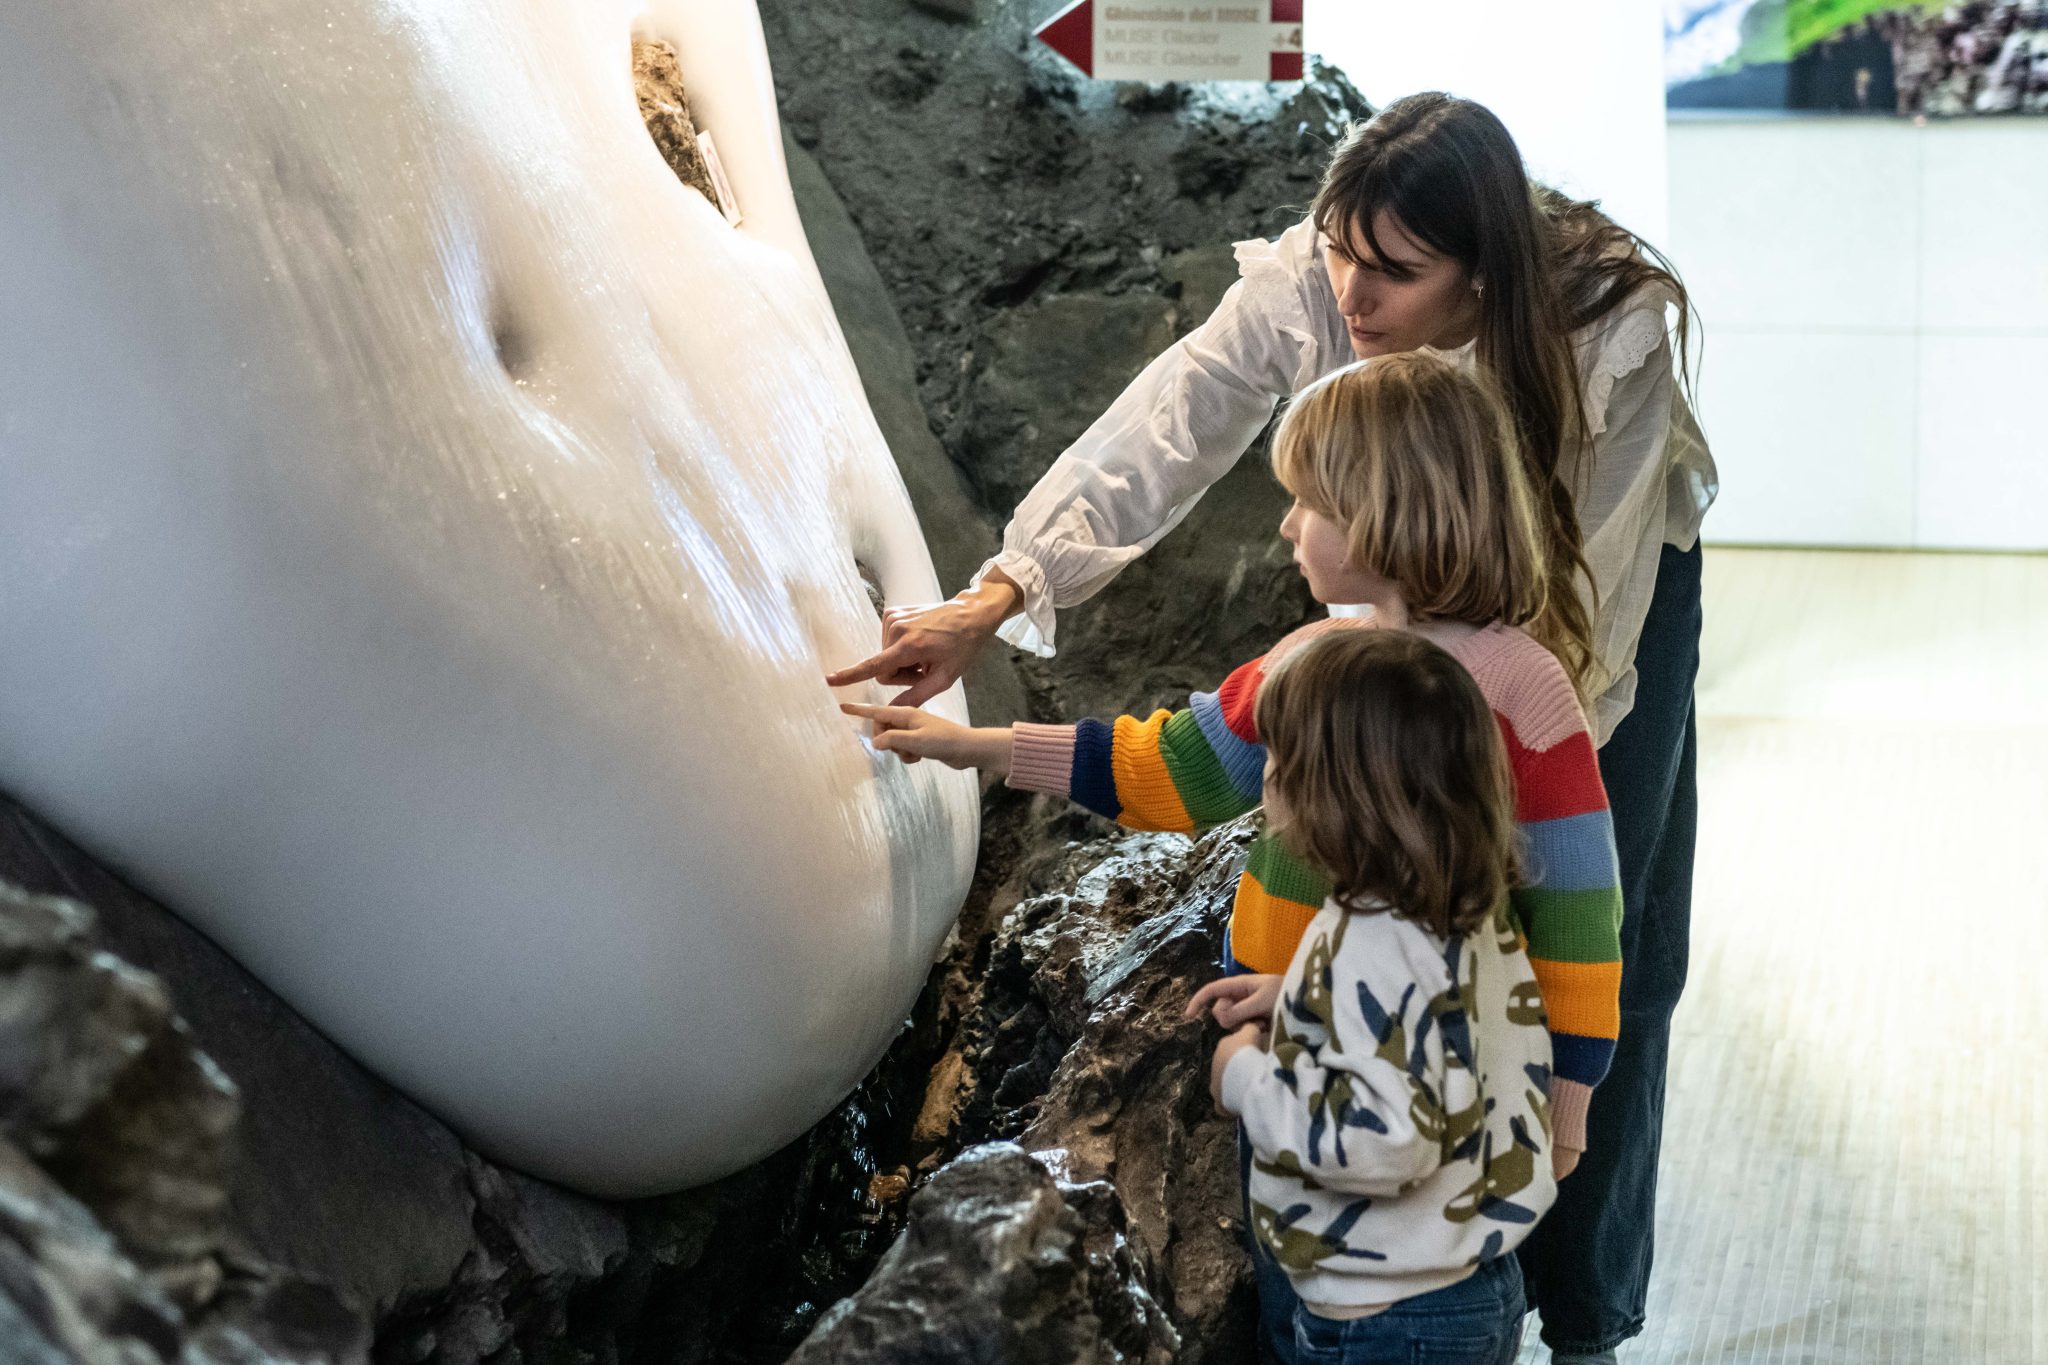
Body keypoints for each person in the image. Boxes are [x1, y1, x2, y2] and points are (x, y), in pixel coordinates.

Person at [829, 93, 1709, 1364]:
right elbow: (1172, 422)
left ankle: (1577, 1312)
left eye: (1393, 272)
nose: (1351, 291)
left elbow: (1562, 678)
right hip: (1414, 611)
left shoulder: (1601, 329)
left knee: (1601, 928)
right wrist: (1003, 593)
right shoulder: (1328, 298)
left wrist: (1549, 1066)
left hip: (1581, 602)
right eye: (1340, 251)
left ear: (1479, 275)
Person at [844, 354, 1620, 1362]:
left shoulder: (1521, 687)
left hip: (1418, 1104)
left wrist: (1568, 1096)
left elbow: (1576, 921)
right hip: (1300, 1070)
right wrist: (976, 747)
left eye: (1310, 503)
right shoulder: (1307, 662)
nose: (1288, 526)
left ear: (1386, 512)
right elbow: (1176, 768)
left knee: (1409, 1274)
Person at [1194, 626, 1555, 1365]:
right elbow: (1446, 1030)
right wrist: (1300, 997)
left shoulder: (1373, 943)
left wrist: (1246, 1079)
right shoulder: (1455, 906)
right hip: (1469, 1278)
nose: (1266, 777)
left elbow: (1385, 1139)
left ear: (1338, 794)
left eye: (1280, 757)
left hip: (1389, 1319)